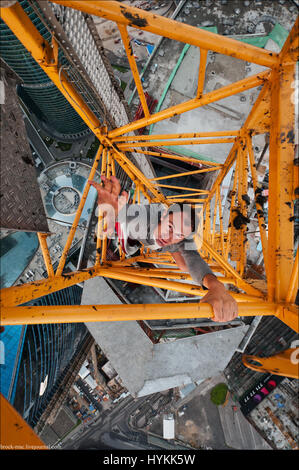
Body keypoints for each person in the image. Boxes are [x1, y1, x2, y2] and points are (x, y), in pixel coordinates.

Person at [89, 175, 238, 323]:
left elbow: (194, 260)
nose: (169, 236)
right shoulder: (142, 220)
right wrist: (112, 211)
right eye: (171, 226)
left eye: (179, 234)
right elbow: (121, 214)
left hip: (158, 244)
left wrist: (216, 286)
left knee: (184, 265)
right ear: (164, 216)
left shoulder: (180, 238)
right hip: (138, 232)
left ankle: (172, 243)